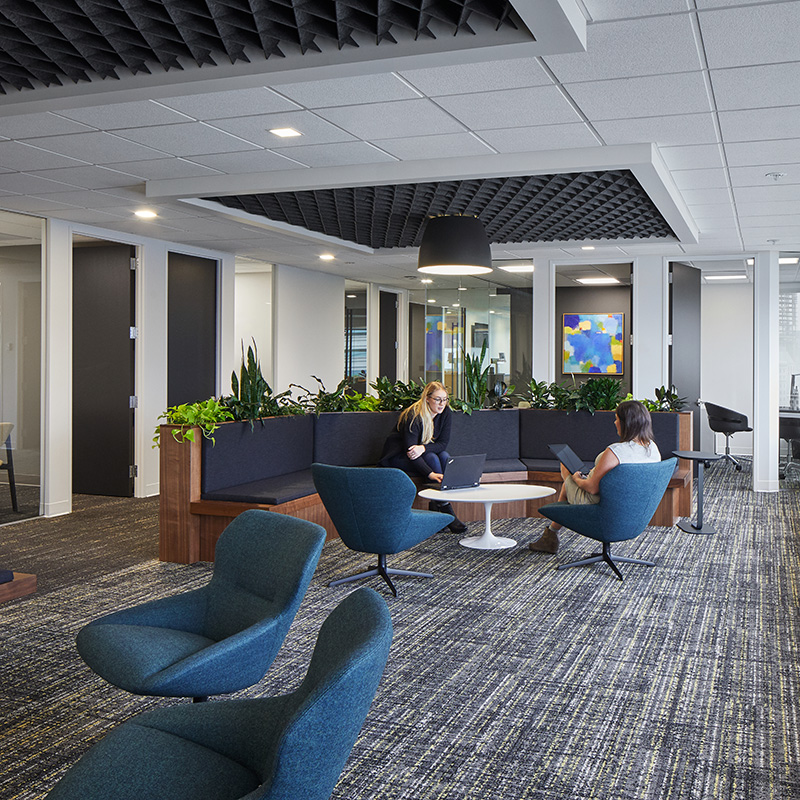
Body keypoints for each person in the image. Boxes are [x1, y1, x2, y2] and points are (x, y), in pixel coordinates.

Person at [528, 400, 661, 554]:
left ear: (626, 423)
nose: (615, 422)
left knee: (567, 473)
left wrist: (576, 477)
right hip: (633, 509)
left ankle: (550, 536)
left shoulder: (615, 451)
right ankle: (551, 535)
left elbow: (591, 488)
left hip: (604, 507)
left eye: (617, 418)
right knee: (574, 478)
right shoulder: (652, 448)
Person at [378, 381, 467, 533]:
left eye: (445, 399)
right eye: (437, 399)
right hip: (398, 457)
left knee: (444, 456)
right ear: (427, 398)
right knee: (432, 459)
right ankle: (446, 511)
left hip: (422, 453)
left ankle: (435, 507)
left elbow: (443, 444)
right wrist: (430, 474)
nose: (442, 403)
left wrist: (423, 448)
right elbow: (411, 453)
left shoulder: (445, 413)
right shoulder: (413, 416)